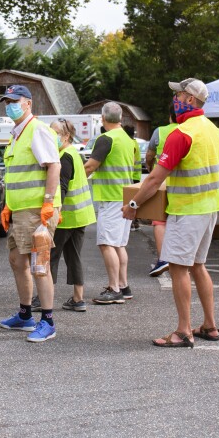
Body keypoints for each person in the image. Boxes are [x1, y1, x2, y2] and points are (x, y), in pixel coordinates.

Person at [123, 78, 219, 347]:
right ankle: (210, 325)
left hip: (187, 210)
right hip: (210, 207)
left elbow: (155, 179)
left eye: (178, 94)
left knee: (179, 268)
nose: (175, 100)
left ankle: (183, 331)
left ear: (190, 100)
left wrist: (133, 206)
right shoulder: (213, 130)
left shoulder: (182, 133)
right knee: (198, 266)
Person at [0, 85, 62, 343]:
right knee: (17, 260)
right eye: (7, 101)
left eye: (14, 101)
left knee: (40, 265)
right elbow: (18, 176)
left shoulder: (37, 130)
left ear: (28, 104)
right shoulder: (17, 134)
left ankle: (48, 321)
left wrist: (48, 203)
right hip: (21, 211)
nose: (9, 105)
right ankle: (25, 315)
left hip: (37, 211)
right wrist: (8, 205)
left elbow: (54, 166)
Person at [85, 102, 136, 304]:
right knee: (119, 245)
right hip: (125, 196)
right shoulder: (127, 138)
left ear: (102, 118)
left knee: (107, 244)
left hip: (111, 198)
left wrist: (72, 177)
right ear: (121, 118)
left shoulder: (105, 139)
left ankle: (114, 289)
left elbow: (91, 165)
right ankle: (123, 286)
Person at [46, 119, 96, 312]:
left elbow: (62, 188)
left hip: (66, 217)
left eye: (55, 133)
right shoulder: (73, 153)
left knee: (50, 256)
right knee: (73, 256)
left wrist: (53, 213)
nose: (52, 136)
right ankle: (78, 299)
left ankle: (43, 299)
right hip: (80, 215)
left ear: (66, 136)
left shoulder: (64, 157)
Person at [144, 106, 178, 277]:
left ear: (169, 116)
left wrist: (150, 168)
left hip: (161, 181)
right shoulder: (187, 130)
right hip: (182, 183)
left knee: (159, 221)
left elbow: (149, 155)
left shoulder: (160, 132)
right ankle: (180, 259)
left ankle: (163, 259)